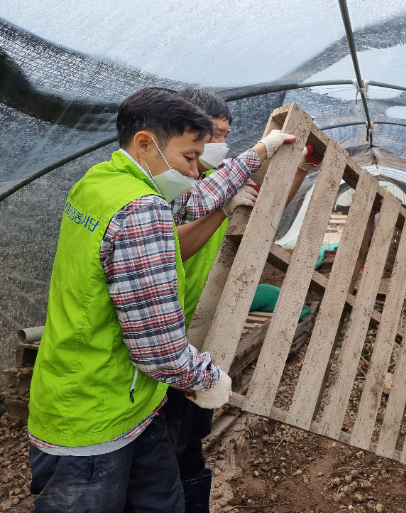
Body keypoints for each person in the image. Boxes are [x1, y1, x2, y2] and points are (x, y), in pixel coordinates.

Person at [26, 86, 298, 513]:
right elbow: (157, 350)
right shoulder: (141, 211)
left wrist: (259, 152)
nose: (195, 170)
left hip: (99, 397)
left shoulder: (100, 183)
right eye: (190, 157)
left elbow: (194, 200)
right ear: (145, 142)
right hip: (98, 418)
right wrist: (209, 381)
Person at [163, 88, 321, 513]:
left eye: (224, 135)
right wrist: (222, 208)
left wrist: (302, 169)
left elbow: (261, 207)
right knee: (169, 449)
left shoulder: (215, 179)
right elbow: (168, 248)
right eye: (211, 135)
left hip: (198, 335)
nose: (217, 144)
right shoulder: (171, 186)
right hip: (166, 338)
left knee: (189, 440)